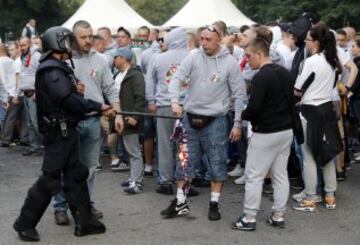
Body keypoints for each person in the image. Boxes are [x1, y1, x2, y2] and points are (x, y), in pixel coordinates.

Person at [13, 26, 109, 242]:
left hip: (66, 131)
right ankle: (24, 224)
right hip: (58, 133)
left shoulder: (59, 67)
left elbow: (67, 97)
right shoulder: (51, 70)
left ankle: (84, 222)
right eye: (66, 41)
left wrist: (81, 95)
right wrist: (97, 106)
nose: (71, 45)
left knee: (76, 176)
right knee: (49, 180)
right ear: (56, 44)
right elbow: (67, 101)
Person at [164, 24, 247, 220]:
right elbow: (176, 79)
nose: (204, 42)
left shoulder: (230, 63)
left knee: (217, 164)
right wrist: (175, 101)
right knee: (183, 162)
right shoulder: (193, 56)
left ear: (220, 40)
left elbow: (239, 95)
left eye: (208, 39)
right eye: (202, 38)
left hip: (216, 121)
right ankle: (180, 202)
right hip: (189, 118)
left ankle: (214, 204)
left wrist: (236, 123)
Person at [52, 20, 123, 225]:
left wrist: (117, 114)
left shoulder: (101, 59)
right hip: (69, 121)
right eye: (83, 37)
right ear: (73, 38)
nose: (88, 41)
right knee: (66, 166)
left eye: (90, 36)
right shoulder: (63, 59)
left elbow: (110, 89)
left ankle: (86, 204)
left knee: (90, 167)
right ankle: (61, 207)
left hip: (93, 120)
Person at [231, 37, 294, 231]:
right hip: (285, 130)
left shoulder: (261, 77)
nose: (247, 60)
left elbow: (254, 107)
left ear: (260, 54)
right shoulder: (284, 72)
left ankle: (249, 218)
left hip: (266, 131)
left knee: (254, 176)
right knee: (280, 175)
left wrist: (242, 115)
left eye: (249, 56)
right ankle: (278, 215)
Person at [292, 23, 343, 212]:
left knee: (309, 157)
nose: (304, 42)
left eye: (307, 39)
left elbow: (297, 90)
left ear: (315, 42)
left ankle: (310, 198)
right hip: (327, 109)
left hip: (310, 111)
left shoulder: (311, 62)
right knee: (327, 154)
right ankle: (329, 196)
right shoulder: (332, 60)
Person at [146, 27, 190, 195]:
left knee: (164, 145)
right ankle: (184, 180)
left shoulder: (158, 58)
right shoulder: (192, 57)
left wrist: (151, 100)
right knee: (184, 146)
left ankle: (165, 181)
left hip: (164, 106)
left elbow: (150, 81)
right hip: (186, 107)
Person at [112, 47, 145, 194]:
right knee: (129, 150)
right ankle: (133, 177)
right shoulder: (120, 74)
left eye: (116, 57)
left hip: (130, 118)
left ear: (123, 58)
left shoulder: (135, 75)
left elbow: (140, 97)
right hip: (122, 117)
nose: (114, 60)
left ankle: (136, 182)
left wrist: (135, 116)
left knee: (134, 151)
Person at [17, 37, 43, 156]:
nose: (22, 48)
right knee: (30, 123)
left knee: (36, 122)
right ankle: (34, 147)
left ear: (30, 44)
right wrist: (17, 94)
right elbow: (22, 76)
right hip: (26, 93)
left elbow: (41, 74)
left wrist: (37, 91)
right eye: (21, 45)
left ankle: (50, 146)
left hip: (34, 93)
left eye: (24, 45)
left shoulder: (36, 56)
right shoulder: (24, 57)